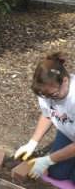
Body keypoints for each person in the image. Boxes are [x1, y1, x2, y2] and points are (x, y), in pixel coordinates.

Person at [14, 52, 75, 183]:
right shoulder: (46, 91)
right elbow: (48, 114)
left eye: (53, 94)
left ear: (65, 81)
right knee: (57, 174)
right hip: (69, 133)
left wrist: (48, 159)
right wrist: (32, 143)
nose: (49, 99)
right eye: (45, 96)